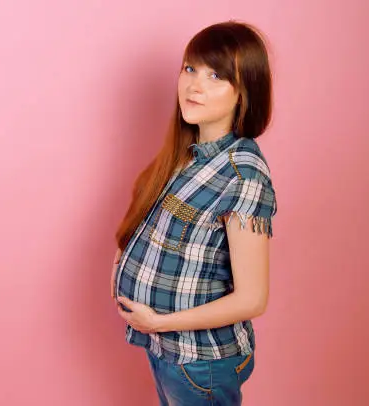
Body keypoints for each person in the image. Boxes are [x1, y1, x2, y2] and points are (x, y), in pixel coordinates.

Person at [110, 20, 278, 405]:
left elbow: (252, 299)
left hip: (201, 362)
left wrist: (161, 322)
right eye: (190, 69)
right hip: (168, 351)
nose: (194, 86)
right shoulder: (188, 155)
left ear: (244, 92)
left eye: (216, 75)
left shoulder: (242, 175)